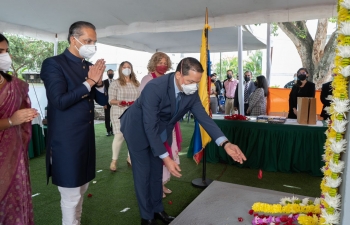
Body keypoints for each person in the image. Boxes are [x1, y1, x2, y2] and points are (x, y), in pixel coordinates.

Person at [120, 57, 246, 225]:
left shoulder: (191, 91)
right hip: (137, 130)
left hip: (158, 130)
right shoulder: (155, 88)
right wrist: (166, 157)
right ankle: (147, 217)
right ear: (178, 74)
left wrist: (225, 143)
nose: (193, 86)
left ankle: (158, 210)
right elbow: (148, 126)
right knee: (143, 174)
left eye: (197, 82)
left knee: (156, 173)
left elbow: (203, 118)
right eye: (190, 81)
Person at [40, 21, 108, 225]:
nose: (92, 45)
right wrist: (88, 82)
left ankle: (76, 221)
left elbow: (102, 101)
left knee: (82, 187)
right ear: (73, 39)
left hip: (85, 139)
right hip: (66, 140)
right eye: (88, 41)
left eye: (94, 42)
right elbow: (59, 101)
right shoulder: (53, 63)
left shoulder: (89, 67)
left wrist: (100, 81)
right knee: (70, 193)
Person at [0, 33, 38, 225]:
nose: (6, 56)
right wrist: (11, 121)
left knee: (14, 203)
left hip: (13, 154)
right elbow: (11, 119)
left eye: (6, 51)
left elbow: (19, 113)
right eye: (0, 51)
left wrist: (26, 115)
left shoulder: (15, 85)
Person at [139, 52, 181, 198]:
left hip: (168, 122)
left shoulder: (169, 79)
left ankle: (161, 184)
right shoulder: (147, 79)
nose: (162, 65)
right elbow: (144, 102)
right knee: (157, 154)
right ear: (154, 63)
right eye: (160, 62)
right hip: (154, 123)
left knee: (167, 153)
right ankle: (155, 186)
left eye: (165, 63)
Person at [108, 61, 139, 171]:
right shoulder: (115, 83)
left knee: (132, 136)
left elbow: (140, 98)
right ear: (120, 69)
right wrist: (119, 102)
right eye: (124, 67)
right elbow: (110, 100)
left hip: (133, 112)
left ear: (131, 68)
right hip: (118, 111)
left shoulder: (136, 83)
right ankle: (114, 160)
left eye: (128, 67)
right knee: (120, 135)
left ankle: (130, 158)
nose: (126, 69)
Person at [103, 69, 115, 136]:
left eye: (111, 72)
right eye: (109, 73)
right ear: (107, 74)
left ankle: (113, 130)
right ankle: (108, 131)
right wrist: (104, 103)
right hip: (107, 103)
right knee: (107, 117)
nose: (110, 74)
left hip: (114, 102)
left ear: (113, 73)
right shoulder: (104, 82)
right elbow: (103, 93)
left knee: (113, 116)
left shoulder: (116, 82)